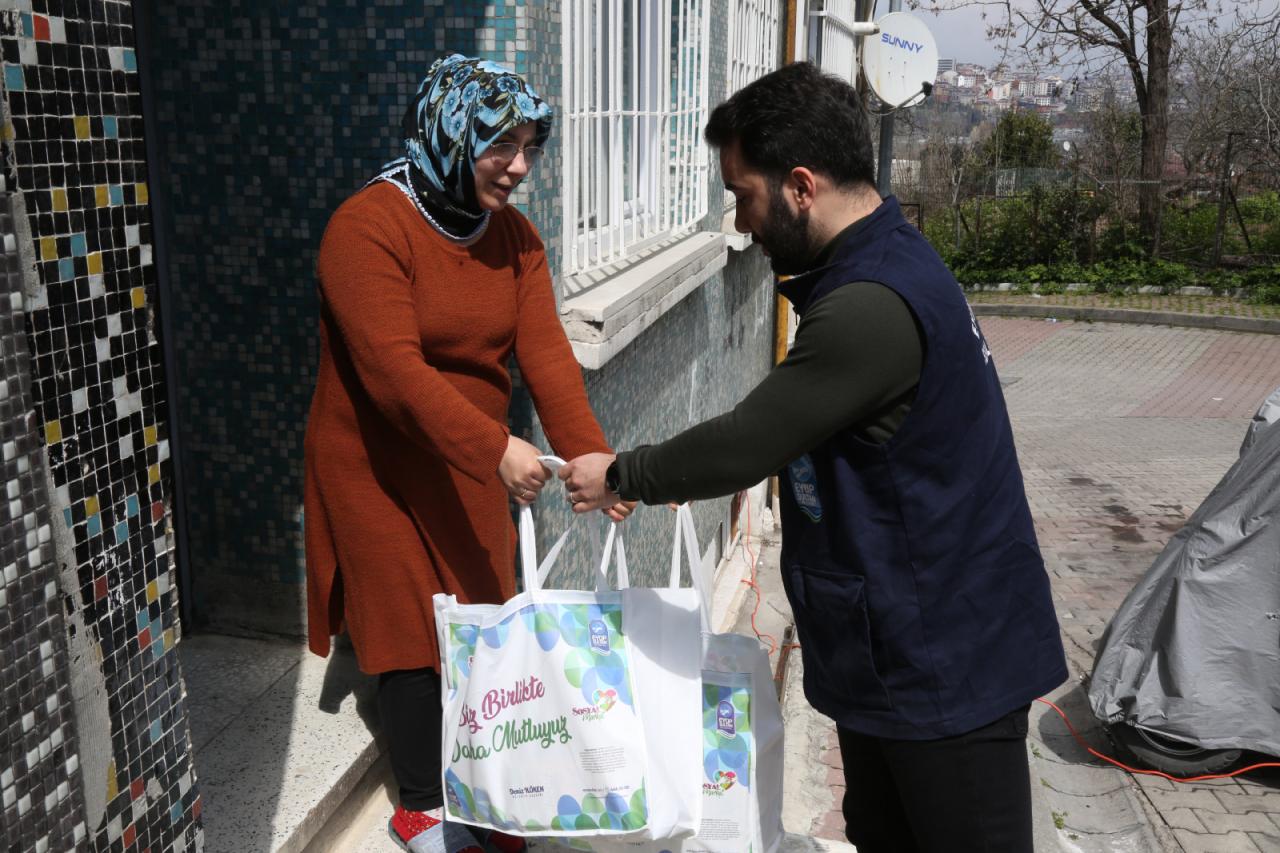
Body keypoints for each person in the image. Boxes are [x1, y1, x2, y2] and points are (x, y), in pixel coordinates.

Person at [560, 62, 1068, 853]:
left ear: (801, 185)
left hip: (945, 665)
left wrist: (621, 472)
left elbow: (747, 441)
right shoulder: (879, 262)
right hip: (901, 651)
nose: (740, 222)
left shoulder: (870, 306)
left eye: (744, 196)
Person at [304, 54, 630, 853]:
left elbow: (548, 358)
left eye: (529, 148)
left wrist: (598, 461)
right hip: (373, 458)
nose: (520, 167)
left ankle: (491, 786)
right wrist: (496, 448)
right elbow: (392, 373)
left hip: (469, 453)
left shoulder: (514, 239)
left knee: (489, 613)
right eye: (500, 146)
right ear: (450, 133)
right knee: (410, 623)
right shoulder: (366, 227)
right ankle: (420, 804)